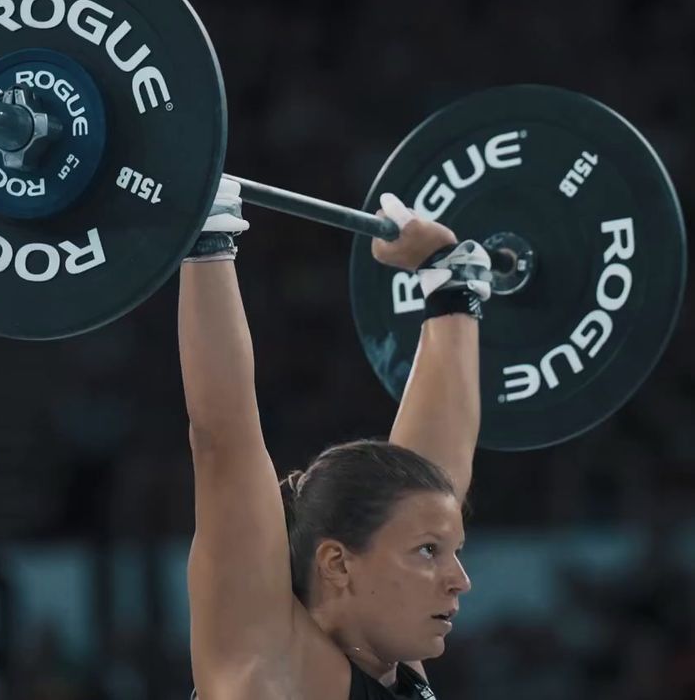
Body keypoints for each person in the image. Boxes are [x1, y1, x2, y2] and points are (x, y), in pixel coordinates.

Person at [181, 178, 494, 699]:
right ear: (338, 564)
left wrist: (452, 290)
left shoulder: (386, 662)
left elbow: (440, 476)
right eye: (429, 552)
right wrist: (207, 236)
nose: (460, 579)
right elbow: (223, 441)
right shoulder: (269, 672)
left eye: (451, 549)